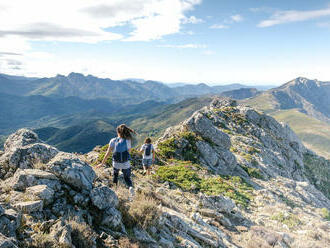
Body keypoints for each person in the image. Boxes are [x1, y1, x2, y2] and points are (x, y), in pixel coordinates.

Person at [98, 124, 136, 198]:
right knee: (127, 178)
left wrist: (102, 163)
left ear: (118, 132)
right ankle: (130, 187)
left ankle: (115, 190)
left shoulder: (113, 140)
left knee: (115, 176)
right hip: (125, 163)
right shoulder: (128, 141)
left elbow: (107, 153)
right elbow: (129, 152)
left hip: (116, 163)